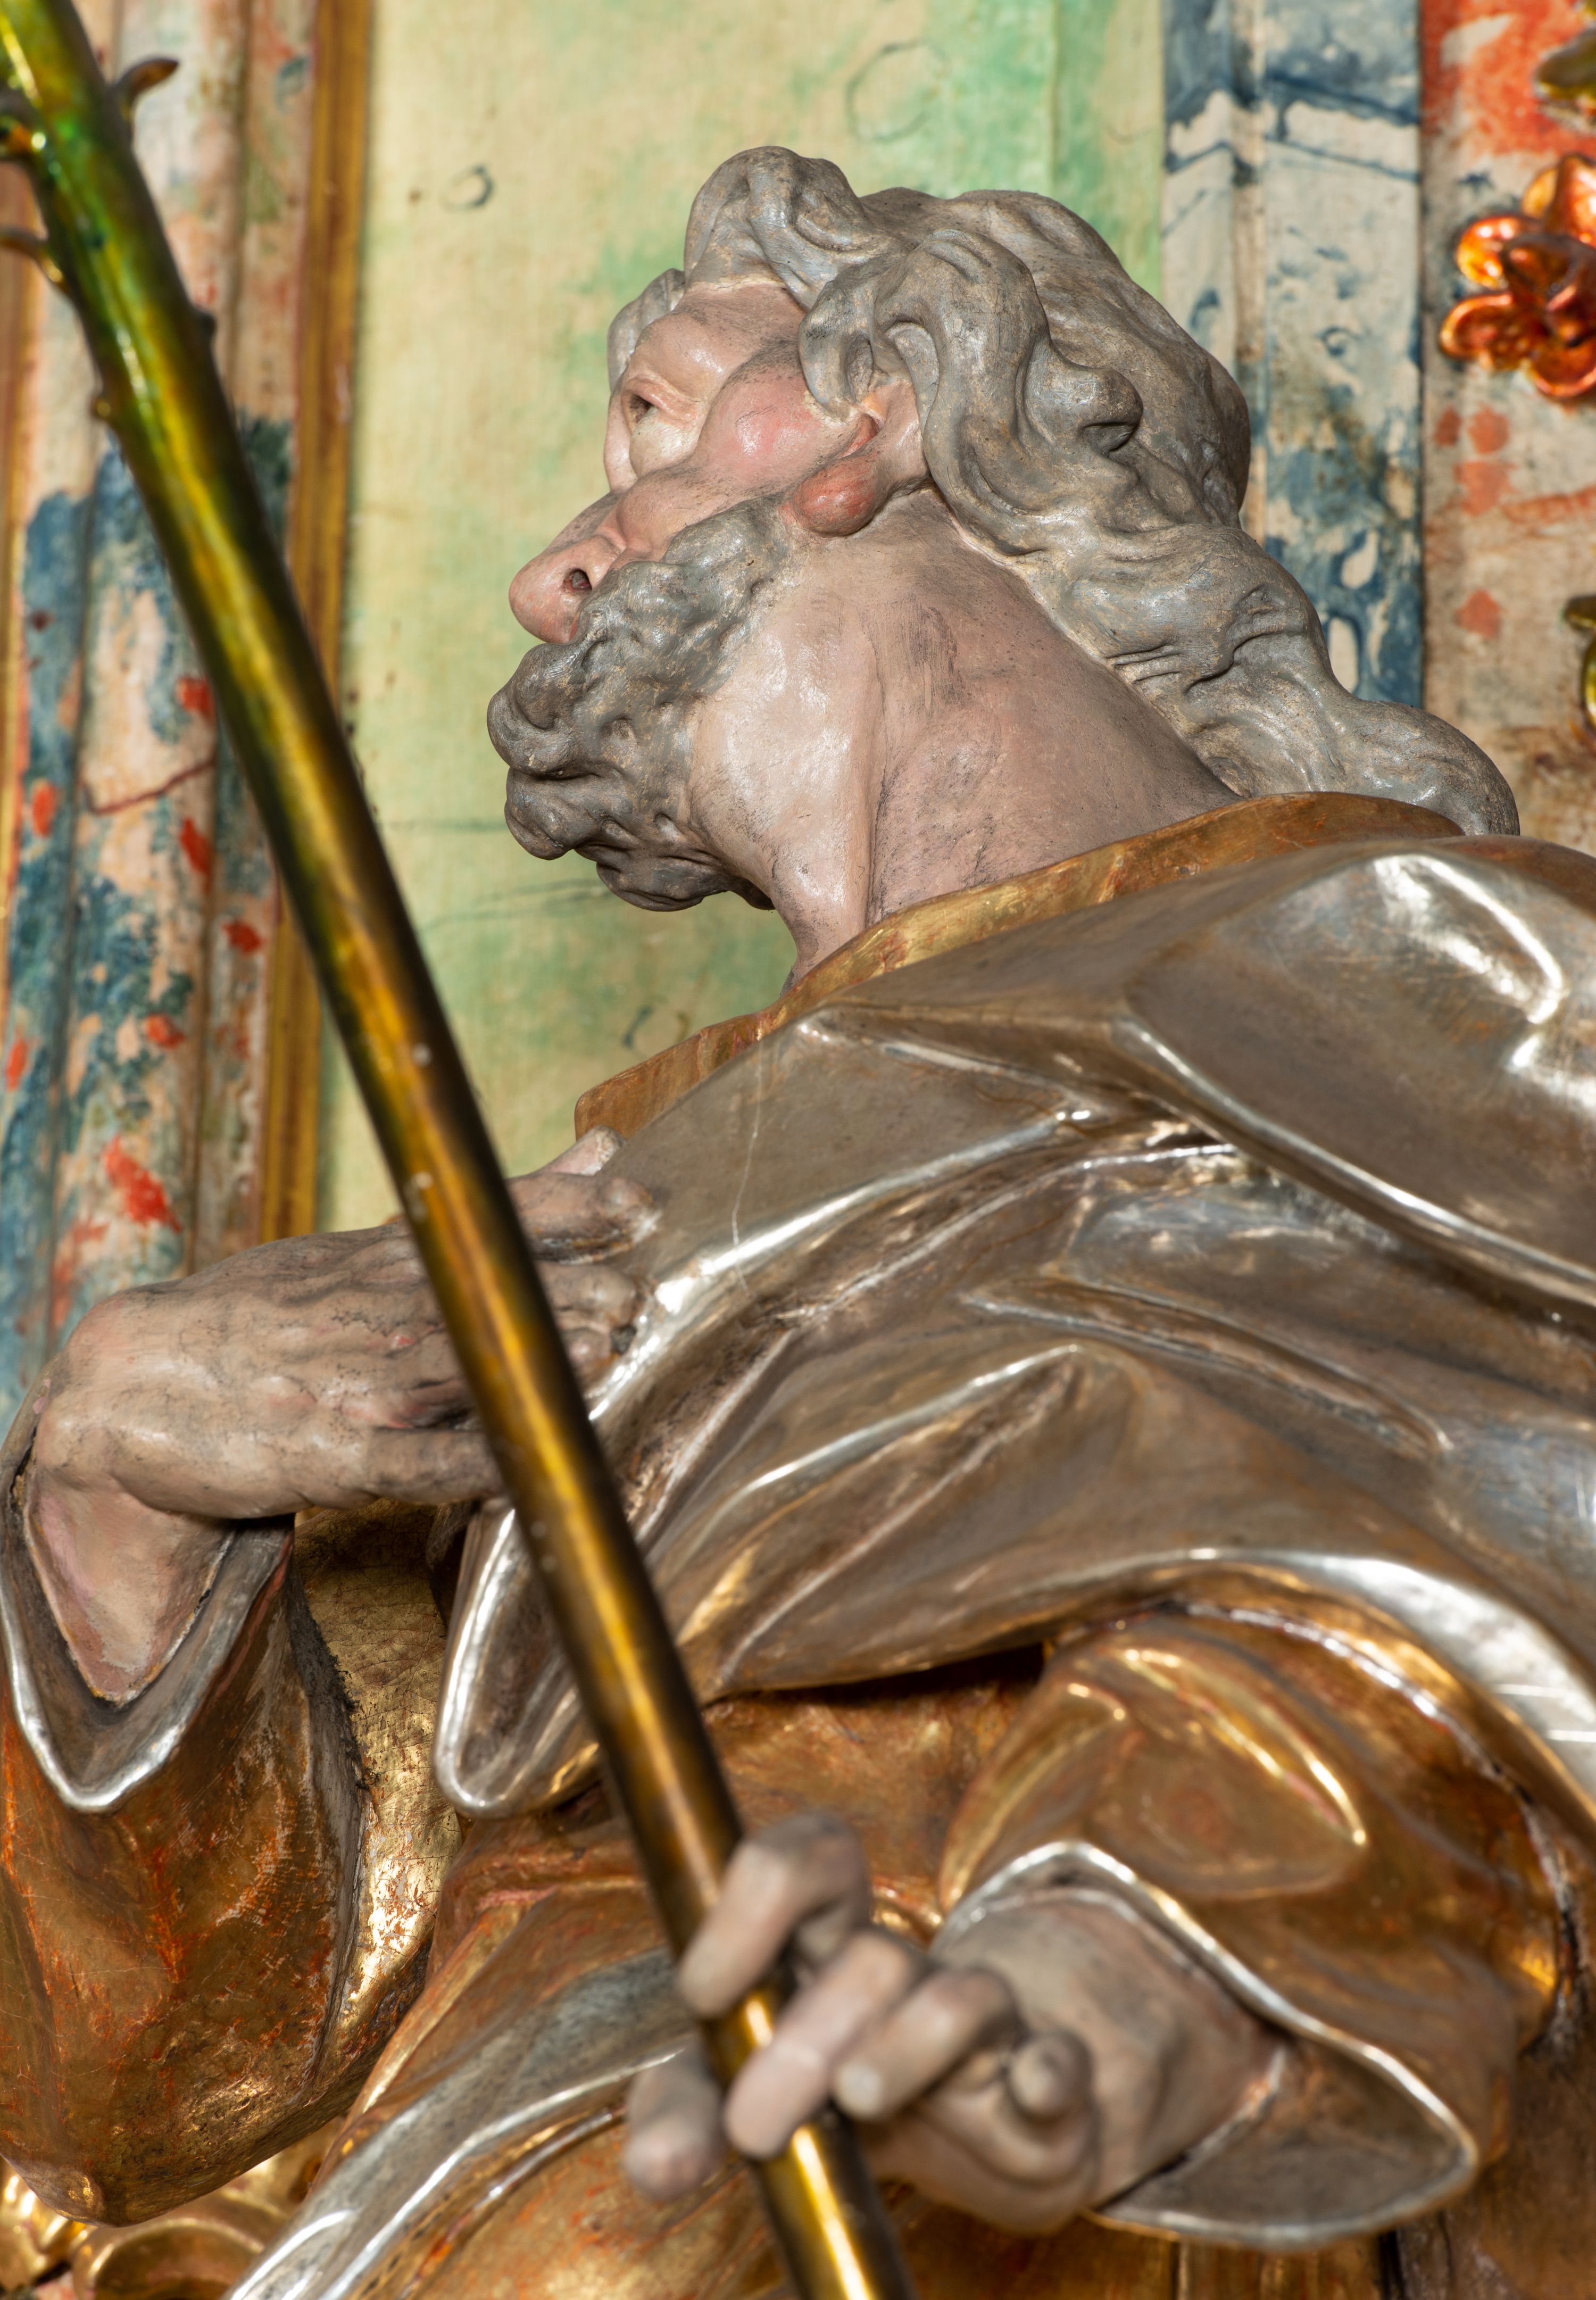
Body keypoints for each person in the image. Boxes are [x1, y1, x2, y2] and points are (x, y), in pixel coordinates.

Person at [3, 151, 1590, 2300]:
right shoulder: (587, 1221)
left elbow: (1492, 1549)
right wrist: (113, 1508)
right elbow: (176, 2090)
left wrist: (1140, 1960)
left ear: (887, 409)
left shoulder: (1430, 974)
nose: (553, 578)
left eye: (657, 425)